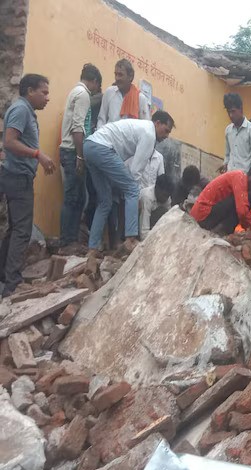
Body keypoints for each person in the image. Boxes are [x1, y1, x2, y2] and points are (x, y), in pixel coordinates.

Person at [83, 111, 175, 255]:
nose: (166, 136)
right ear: (157, 123)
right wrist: (136, 198)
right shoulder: (149, 134)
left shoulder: (142, 127)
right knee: (132, 188)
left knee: (105, 202)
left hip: (89, 147)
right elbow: (135, 171)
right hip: (103, 148)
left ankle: (92, 249)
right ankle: (131, 239)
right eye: (166, 130)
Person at [0, 74, 55, 297]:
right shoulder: (21, 110)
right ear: (30, 91)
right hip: (18, 177)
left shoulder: (25, 110)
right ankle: (12, 284)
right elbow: (9, 141)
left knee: (15, 228)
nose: (47, 98)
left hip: (17, 176)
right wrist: (37, 154)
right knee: (22, 231)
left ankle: (4, 276)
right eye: (44, 92)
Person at [59, 63, 102, 251]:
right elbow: (78, 128)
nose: (96, 90)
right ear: (95, 81)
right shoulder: (83, 95)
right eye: (97, 87)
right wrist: (80, 156)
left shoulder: (75, 92)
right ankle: (67, 241)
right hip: (72, 151)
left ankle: (71, 239)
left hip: (69, 150)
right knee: (73, 198)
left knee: (78, 197)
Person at [190, 163, 251, 235]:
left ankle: (222, 231)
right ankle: (220, 232)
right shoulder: (240, 177)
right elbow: (242, 212)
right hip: (203, 215)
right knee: (250, 198)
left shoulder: (240, 180)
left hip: (204, 215)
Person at [97, 59, 150, 127]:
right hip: (109, 133)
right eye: (116, 74)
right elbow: (102, 119)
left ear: (130, 77)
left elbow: (145, 126)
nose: (117, 78)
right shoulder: (109, 92)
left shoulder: (140, 99)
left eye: (120, 75)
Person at [223, 93, 251, 173]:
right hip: (230, 175)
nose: (231, 115)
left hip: (245, 175)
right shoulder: (228, 130)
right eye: (228, 112)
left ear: (241, 109)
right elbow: (227, 154)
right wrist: (225, 164)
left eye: (233, 111)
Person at [138, 173, 173, 240]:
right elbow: (144, 232)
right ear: (157, 188)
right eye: (164, 195)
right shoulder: (147, 197)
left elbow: (169, 221)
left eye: (167, 196)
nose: (165, 199)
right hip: (138, 223)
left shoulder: (167, 198)